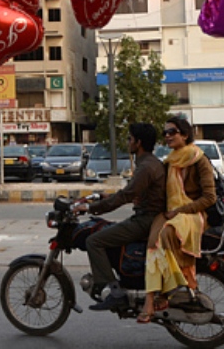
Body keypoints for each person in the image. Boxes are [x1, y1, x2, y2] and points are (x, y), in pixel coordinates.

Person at [73, 123, 166, 311]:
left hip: (145, 221)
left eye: (129, 138)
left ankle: (114, 292)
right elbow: (133, 193)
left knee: (94, 241)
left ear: (138, 142)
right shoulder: (150, 163)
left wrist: (90, 208)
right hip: (149, 217)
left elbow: (125, 197)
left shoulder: (146, 167)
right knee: (104, 229)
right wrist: (105, 196)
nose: (127, 142)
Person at [138, 116, 216, 324]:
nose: (167, 136)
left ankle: (161, 295)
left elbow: (209, 197)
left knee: (165, 235)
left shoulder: (199, 160)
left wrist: (181, 210)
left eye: (172, 132)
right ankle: (152, 296)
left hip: (192, 215)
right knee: (152, 242)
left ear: (185, 134)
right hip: (171, 213)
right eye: (165, 133)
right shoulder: (170, 161)